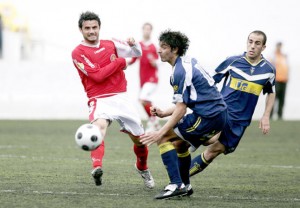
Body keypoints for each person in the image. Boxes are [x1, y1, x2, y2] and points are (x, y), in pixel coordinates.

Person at [140, 30, 227, 199]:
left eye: (164, 47)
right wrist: (164, 112)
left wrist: (160, 132)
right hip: (215, 114)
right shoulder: (186, 64)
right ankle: (185, 185)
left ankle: (176, 184)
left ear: (175, 49)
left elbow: (181, 110)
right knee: (180, 145)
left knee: (164, 139)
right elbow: (184, 104)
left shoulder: (180, 71)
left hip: (208, 116)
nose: (159, 50)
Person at [71, 11, 154, 189]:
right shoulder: (78, 53)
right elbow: (98, 76)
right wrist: (119, 63)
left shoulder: (111, 43)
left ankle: (142, 167)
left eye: (94, 27)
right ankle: (97, 167)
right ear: (81, 30)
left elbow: (136, 53)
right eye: (87, 28)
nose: (92, 31)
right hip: (99, 99)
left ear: (99, 27)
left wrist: (134, 44)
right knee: (98, 128)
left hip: (121, 97)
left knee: (139, 140)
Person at [189, 31, 276, 179]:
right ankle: (178, 175)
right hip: (221, 112)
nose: (252, 46)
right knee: (210, 139)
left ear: (263, 47)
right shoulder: (233, 61)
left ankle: (182, 180)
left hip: (241, 121)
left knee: (213, 152)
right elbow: (210, 81)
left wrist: (266, 115)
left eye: (257, 43)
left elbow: (271, 92)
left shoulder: (269, 70)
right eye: (250, 41)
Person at [127, 23, 160, 132]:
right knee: (147, 101)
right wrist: (123, 63)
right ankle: (155, 123)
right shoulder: (139, 45)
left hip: (152, 78)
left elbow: (160, 61)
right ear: (142, 30)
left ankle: (152, 121)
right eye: (145, 29)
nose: (147, 31)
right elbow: (133, 60)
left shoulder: (153, 46)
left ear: (151, 31)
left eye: (149, 29)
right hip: (143, 79)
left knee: (142, 99)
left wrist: (155, 62)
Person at [271, 42, 289, 120]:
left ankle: (280, 115)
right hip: (276, 80)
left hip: (284, 80)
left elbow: (286, 67)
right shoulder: (273, 55)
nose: (280, 48)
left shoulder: (284, 56)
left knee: (282, 99)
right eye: (278, 46)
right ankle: (270, 115)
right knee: (273, 98)